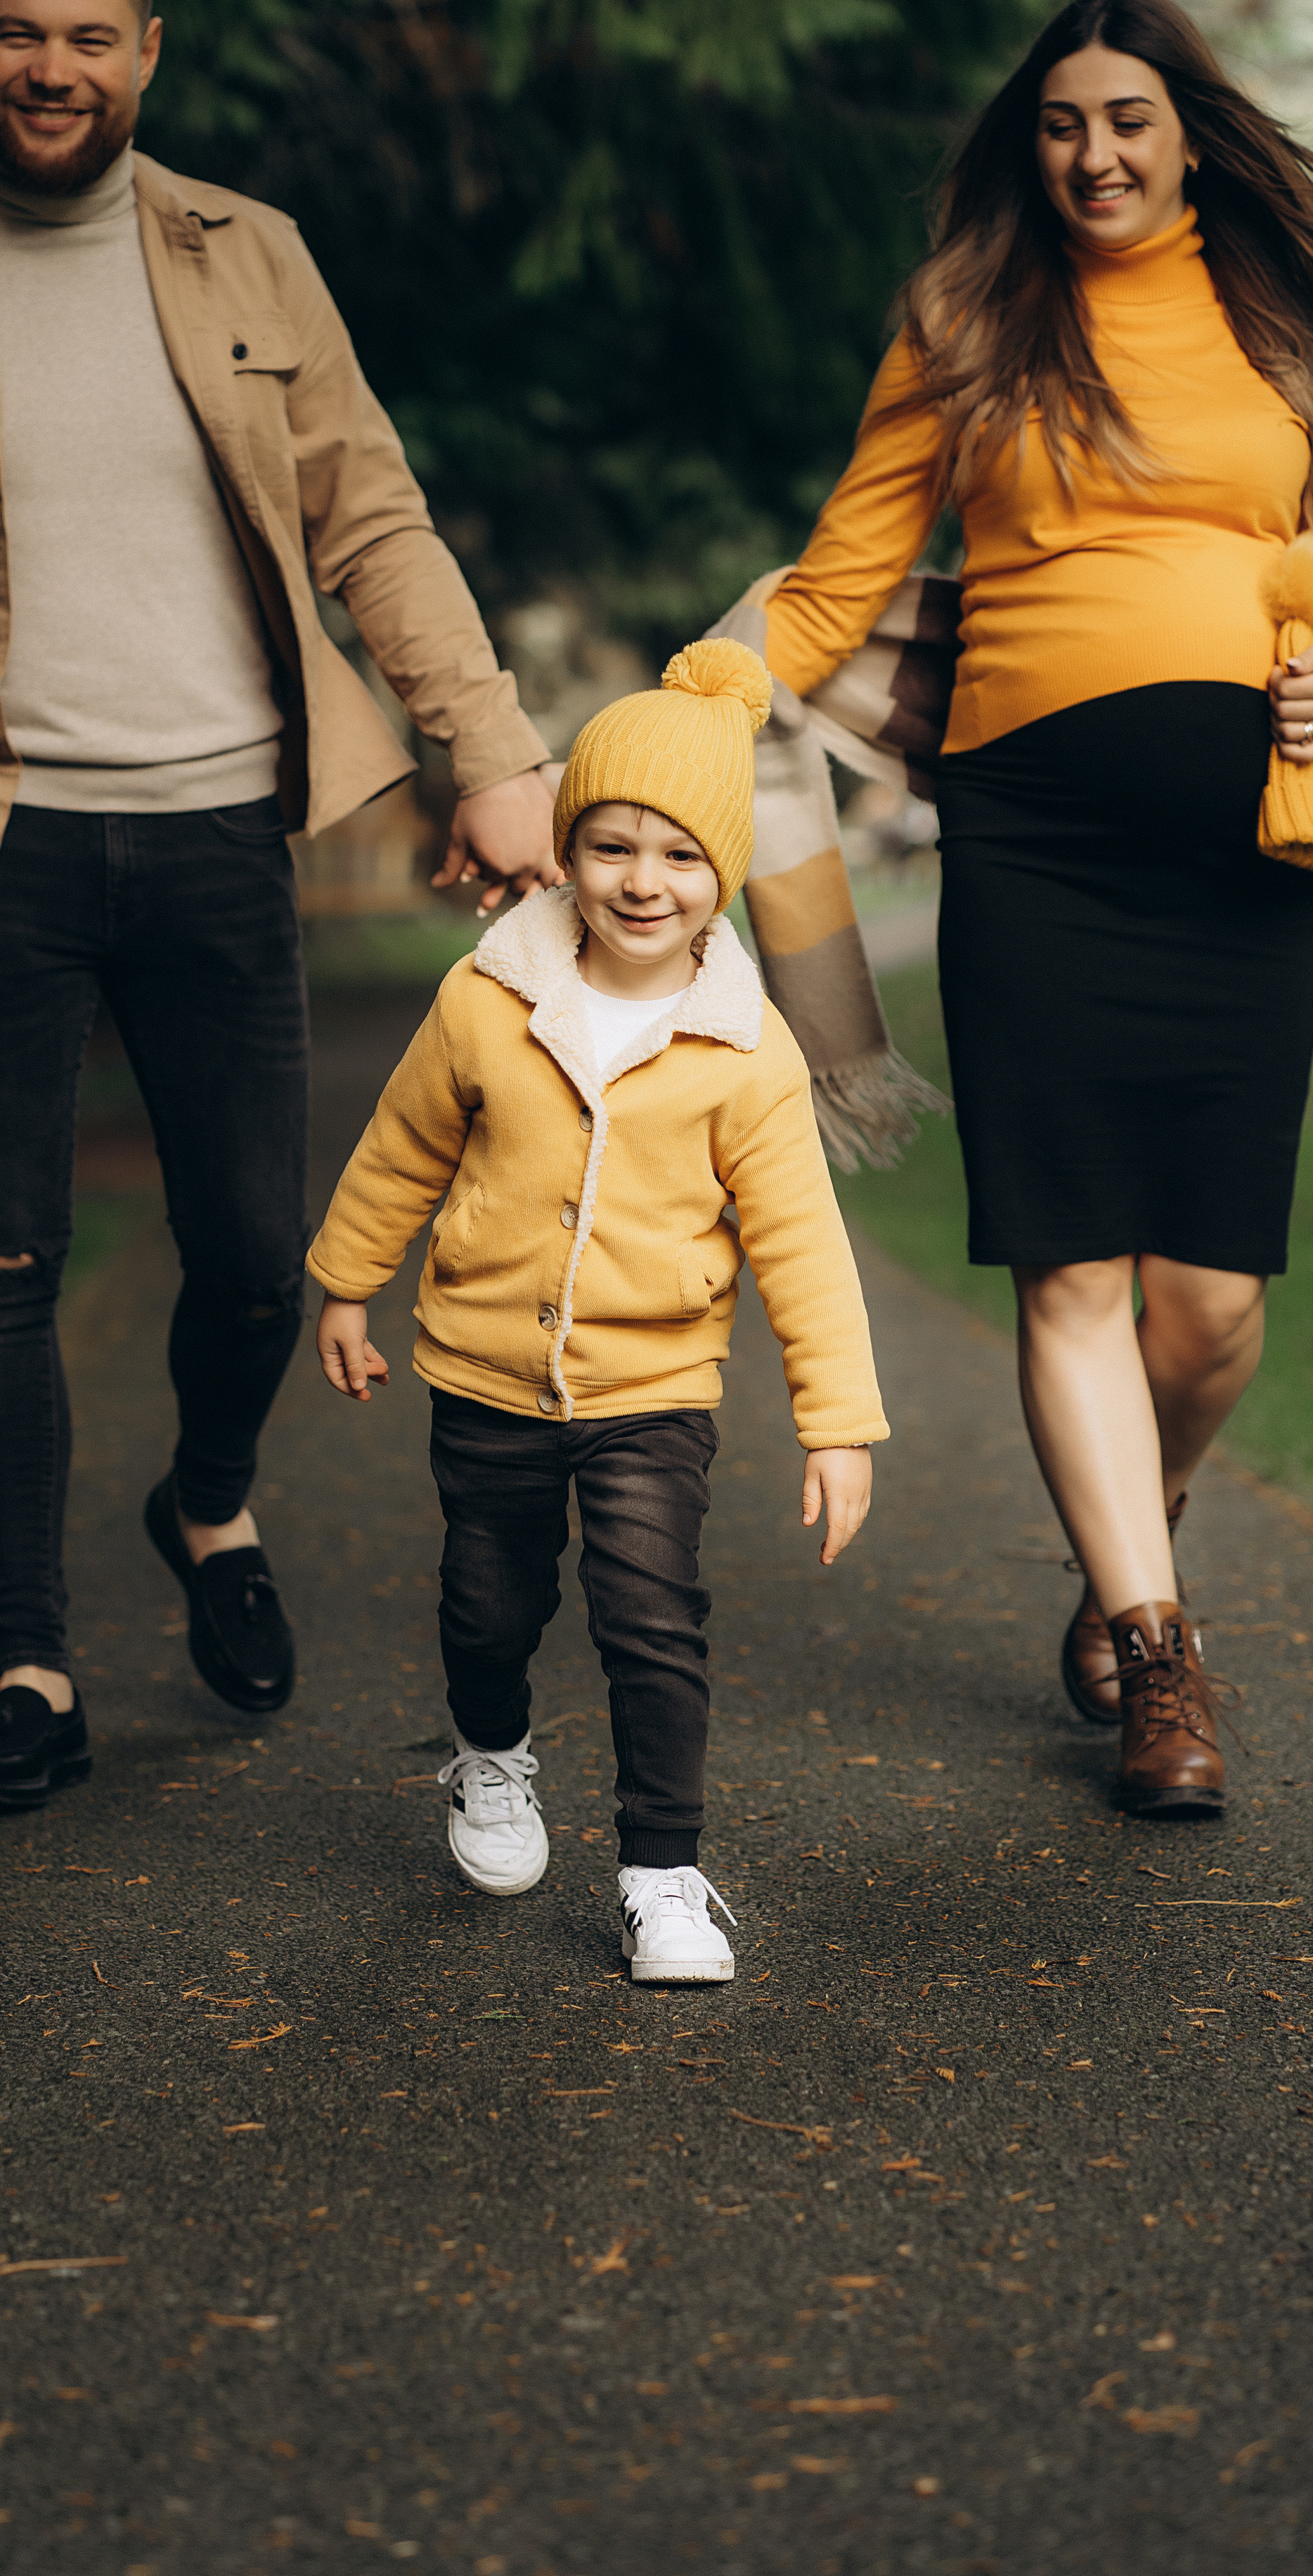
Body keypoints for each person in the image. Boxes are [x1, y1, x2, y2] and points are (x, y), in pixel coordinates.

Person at [0, 0, 562, 1818]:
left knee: (258, 1253)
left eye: (90, 38)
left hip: (215, 828)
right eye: (19, 33)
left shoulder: (250, 255)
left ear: (147, 54)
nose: (54, 69)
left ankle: (207, 1502)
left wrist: (494, 750)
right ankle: (32, 1666)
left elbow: (372, 522)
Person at [758, 0, 1313, 1818]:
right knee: (1073, 1270)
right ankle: (1156, 1653)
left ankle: (1143, 1515)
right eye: (1060, 124)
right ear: (1027, 145)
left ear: (1190, 133)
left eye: (1127, 120)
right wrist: (700, 697)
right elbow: (838, 580)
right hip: (1030, 837)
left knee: (1207, 1309)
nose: (1094, 154)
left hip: (1237, 853)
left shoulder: (1279, 323)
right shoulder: (968, 317)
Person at [308, 642, 885, 1981]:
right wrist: (346, 1284)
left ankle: (662, 1874)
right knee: (488, 1603)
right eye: (612, 845)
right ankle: (491, 1756)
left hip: (653, 1389)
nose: (643, 880)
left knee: (650, 1619)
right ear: (565, 852)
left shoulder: (748, 1048)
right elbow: (401, 1147)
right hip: (485, 1374)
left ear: (722, 876)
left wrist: (839, 1423)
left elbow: (802, 1241)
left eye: (681, 856)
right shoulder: (488, 999)